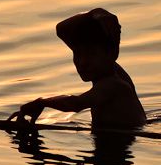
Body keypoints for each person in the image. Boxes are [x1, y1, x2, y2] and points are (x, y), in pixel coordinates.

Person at [9, 8, 146, 130]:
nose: (82, 62)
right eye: (77, 54)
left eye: (91, 54)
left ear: (110, 55)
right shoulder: (112, 70)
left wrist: (41, 103)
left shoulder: (112, 85)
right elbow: (64, 29)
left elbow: (76, 103)